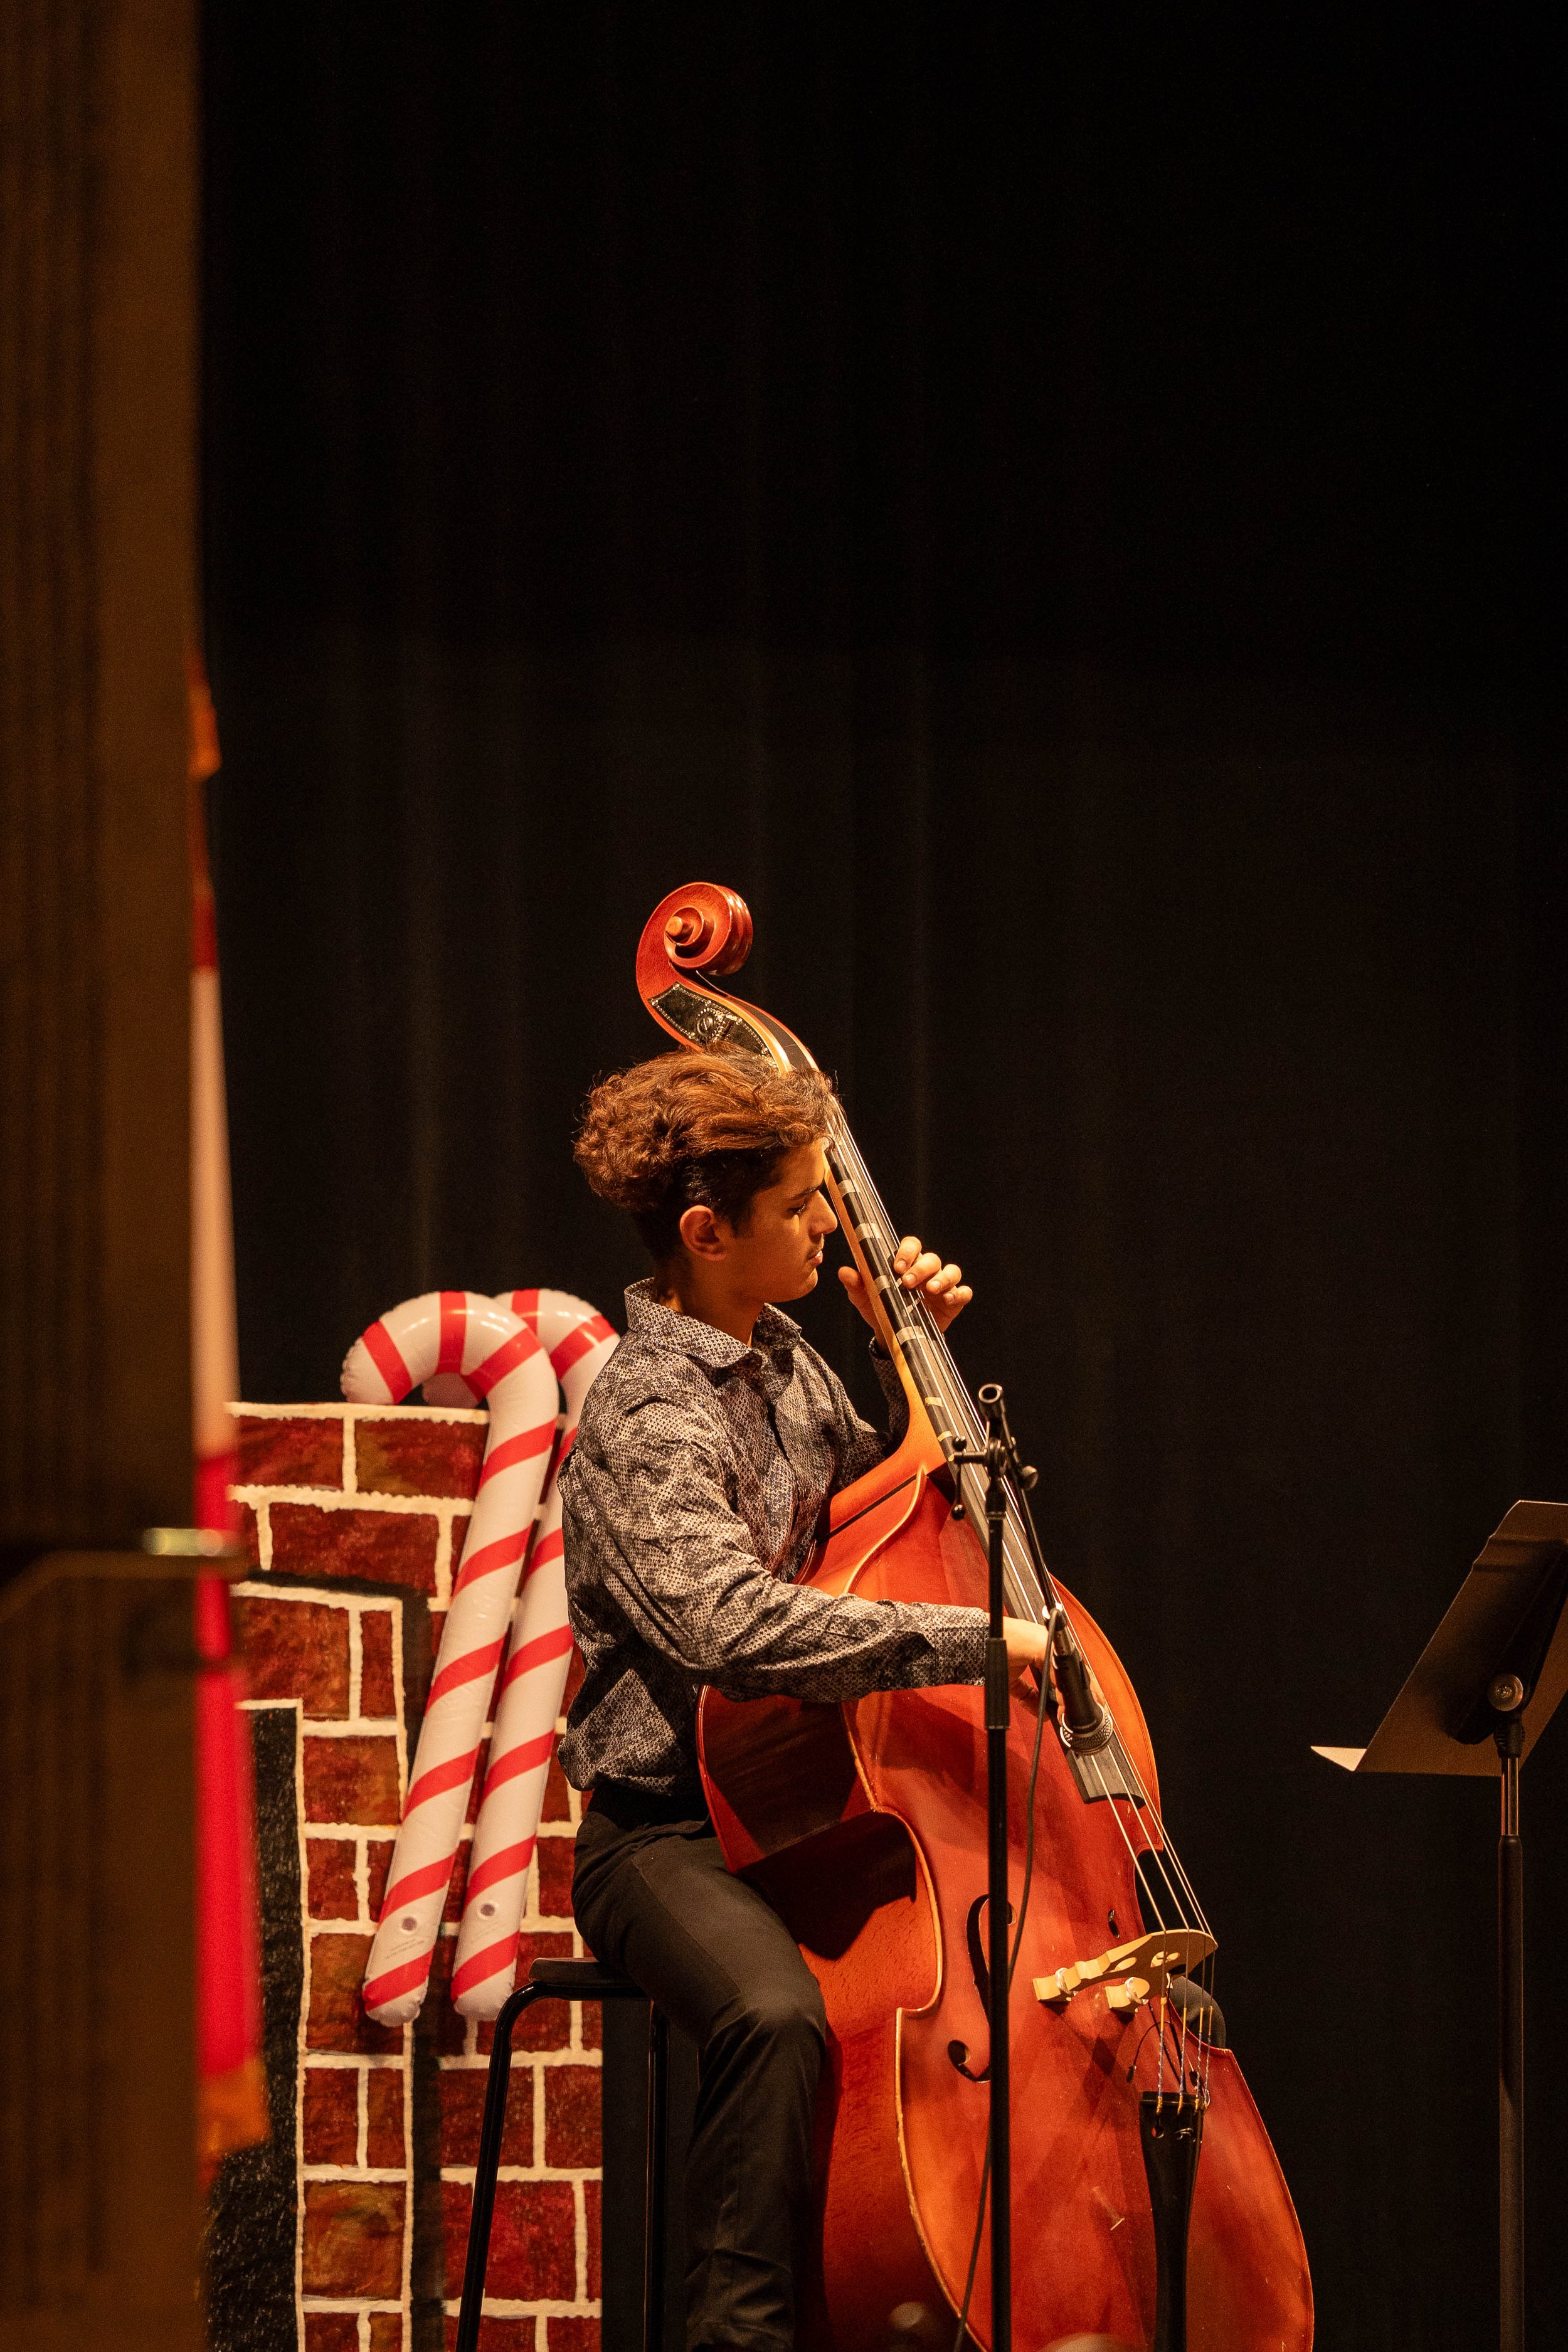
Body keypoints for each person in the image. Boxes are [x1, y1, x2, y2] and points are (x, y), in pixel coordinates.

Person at [557, 1049, 1051, 2352]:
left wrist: (912, 1363)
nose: (830, 1223)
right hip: (662, 1834)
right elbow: (728, 1627)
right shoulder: (648, 1408)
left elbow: (873, 1529)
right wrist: (968, 1641)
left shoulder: (783, 1363)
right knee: (774, 2016)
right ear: (707, 1235)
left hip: (795, 1810)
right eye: (800, 1204)